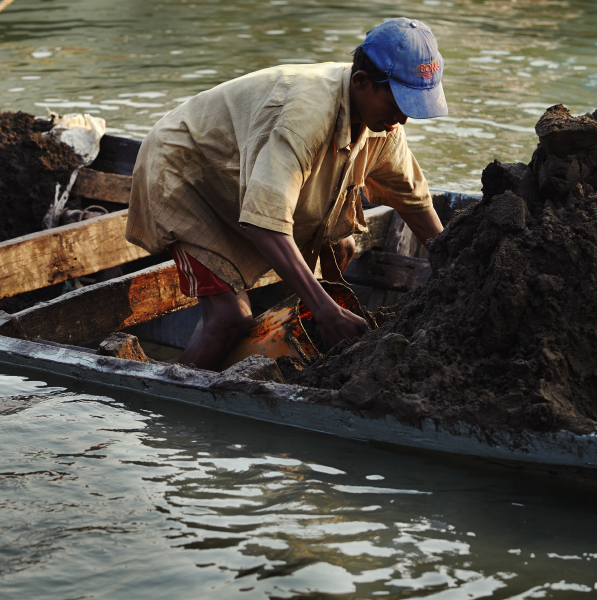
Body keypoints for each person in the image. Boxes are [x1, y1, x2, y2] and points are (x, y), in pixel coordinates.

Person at [126, 17, 447, 370]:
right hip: (185, 173)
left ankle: (273, 341)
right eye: (398, 105)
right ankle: (174, 405)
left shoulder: (382, 123)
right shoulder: (306, 116)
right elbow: (264, 224)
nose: (402, 120)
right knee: (229, 319)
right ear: (361, 82)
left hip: (237, 172)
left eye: (410, 110)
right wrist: (325, 310)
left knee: (340, 246)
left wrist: (455, 264)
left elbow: (413, 199)